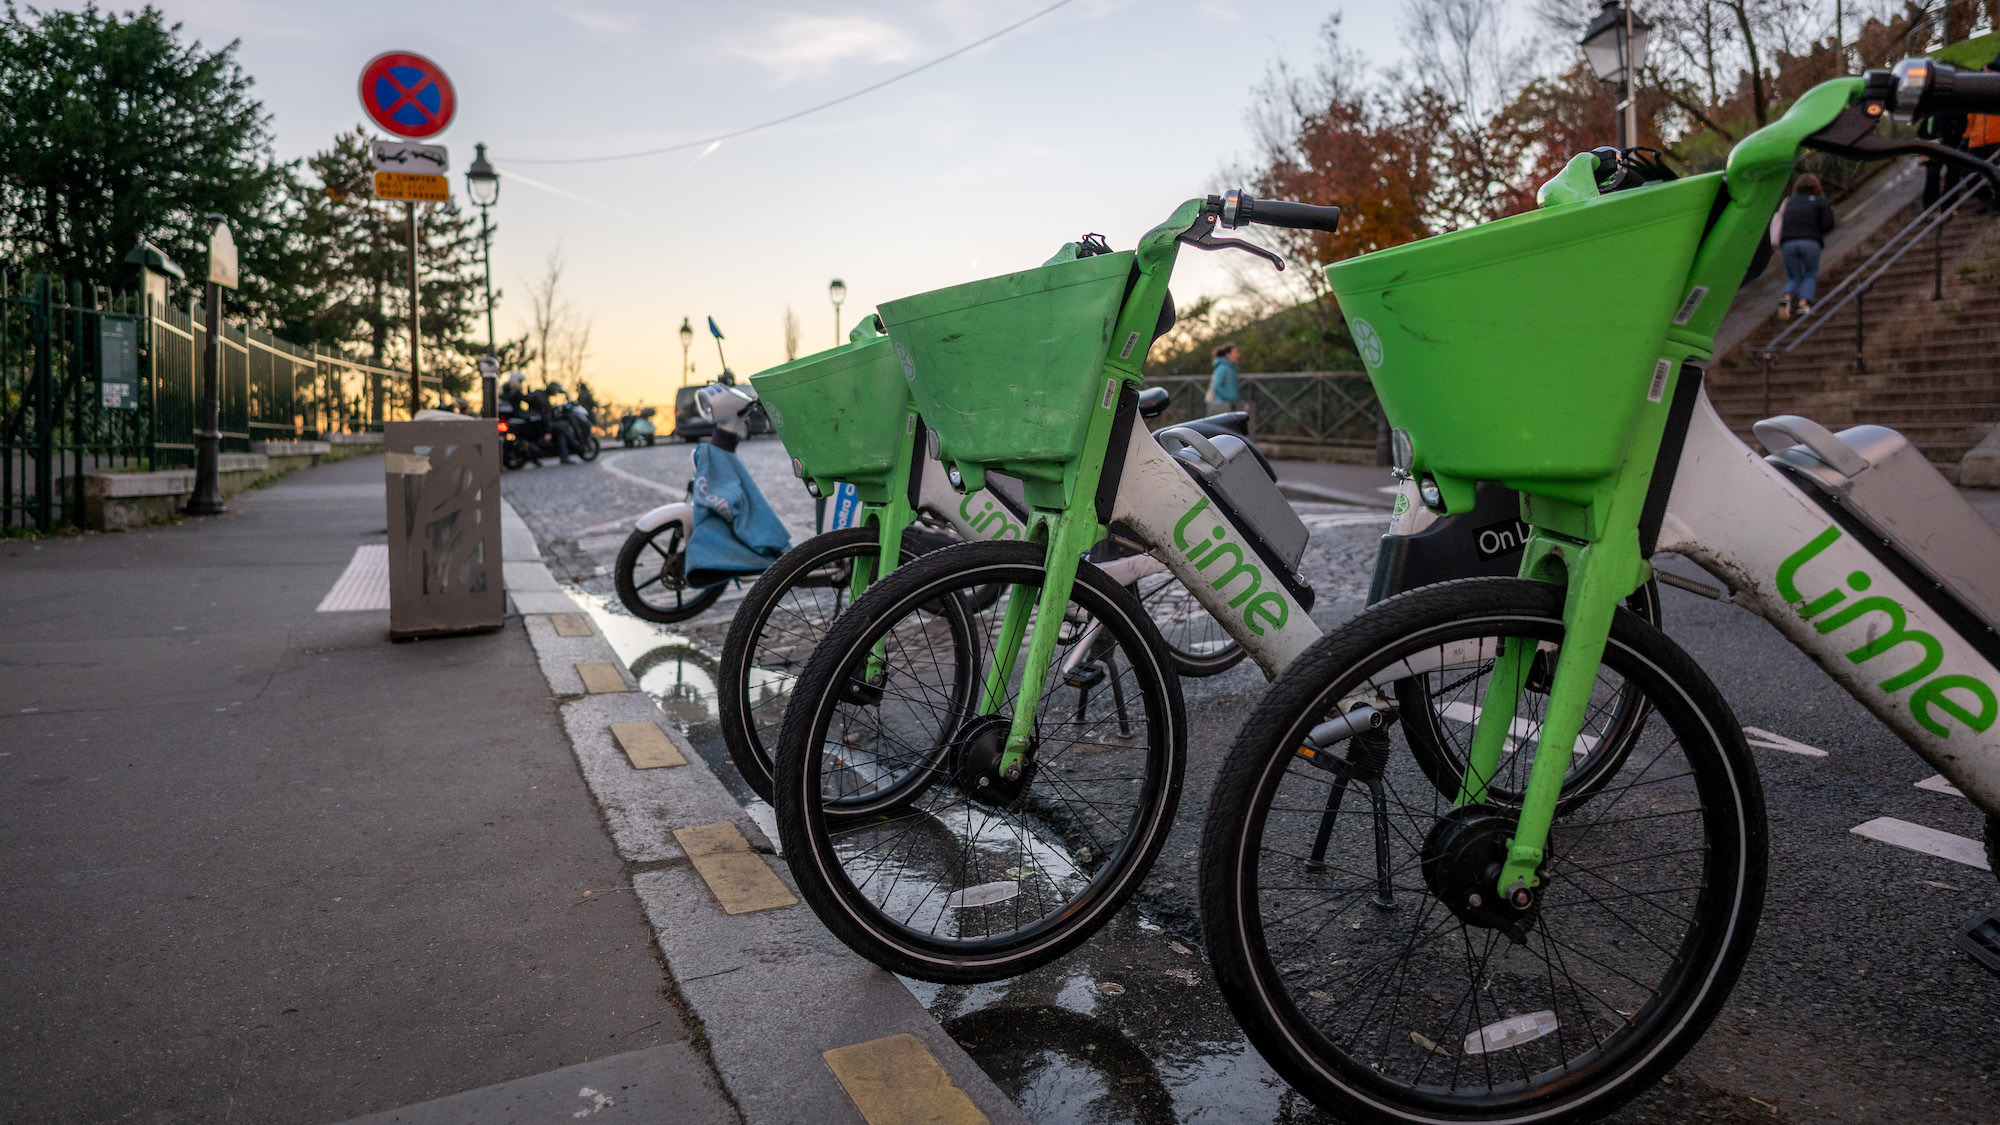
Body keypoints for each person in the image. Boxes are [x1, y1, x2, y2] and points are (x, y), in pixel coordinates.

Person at [1777, 174, 1835, 319]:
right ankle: (1803, 304)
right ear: (1816, 186)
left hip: (1788, 243)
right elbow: (1828, 223)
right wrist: (1817, 231)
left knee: (1794, 277)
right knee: (1810, 274)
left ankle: (1786, 298)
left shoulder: (1790, 202)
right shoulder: (1820, 201)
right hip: (1810, 242)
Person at [1208, 343, 1243, 414]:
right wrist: (1230, 397)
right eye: (1235, 352)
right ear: (1228, 354)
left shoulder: (1231, 367)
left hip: (1231, 405)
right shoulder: (1222, 367)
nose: (1238, 355)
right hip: (1223, 405)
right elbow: (1216, 386)